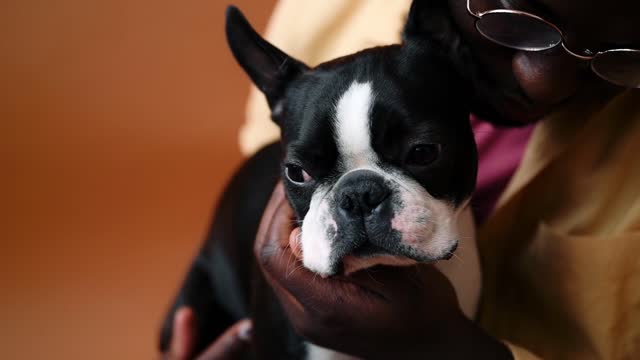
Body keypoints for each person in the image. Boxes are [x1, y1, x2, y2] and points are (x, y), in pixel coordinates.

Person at [163, 0, 640, 358]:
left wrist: (448, 348)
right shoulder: (324, 11)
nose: (542, 78)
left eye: (615, 55)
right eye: (515, 16)